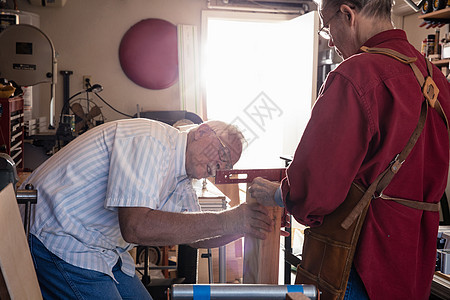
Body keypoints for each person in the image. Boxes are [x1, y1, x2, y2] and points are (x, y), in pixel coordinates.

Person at [249, 1, 450, 299]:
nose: (329, 39)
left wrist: (276, 193)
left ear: (348, 14)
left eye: (327, 26)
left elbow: (314, 193)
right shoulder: (436, 79)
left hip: (360, 264)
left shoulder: (356, 74)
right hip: (414, 267)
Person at [22, 118, 273, 299]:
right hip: (58, 237)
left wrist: (244, 227)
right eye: (222, 153)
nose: (218, 166)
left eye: (225, 164)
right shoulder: (152, 141)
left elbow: (195, 239)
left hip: (100, 248)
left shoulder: (184, 176)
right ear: (202, 132)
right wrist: (230, 220)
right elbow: (136, 227)